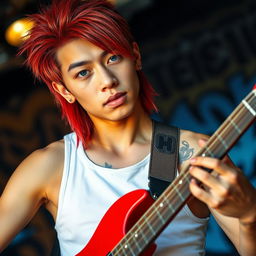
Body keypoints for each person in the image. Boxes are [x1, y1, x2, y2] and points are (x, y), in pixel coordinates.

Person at [0, 0, 255, 255]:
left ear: (136, 56)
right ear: (64, 90)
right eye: (83, 73)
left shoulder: (195, 155)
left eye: (112, 58)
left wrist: (249, 214)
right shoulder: (50, 166)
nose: (107, 81)